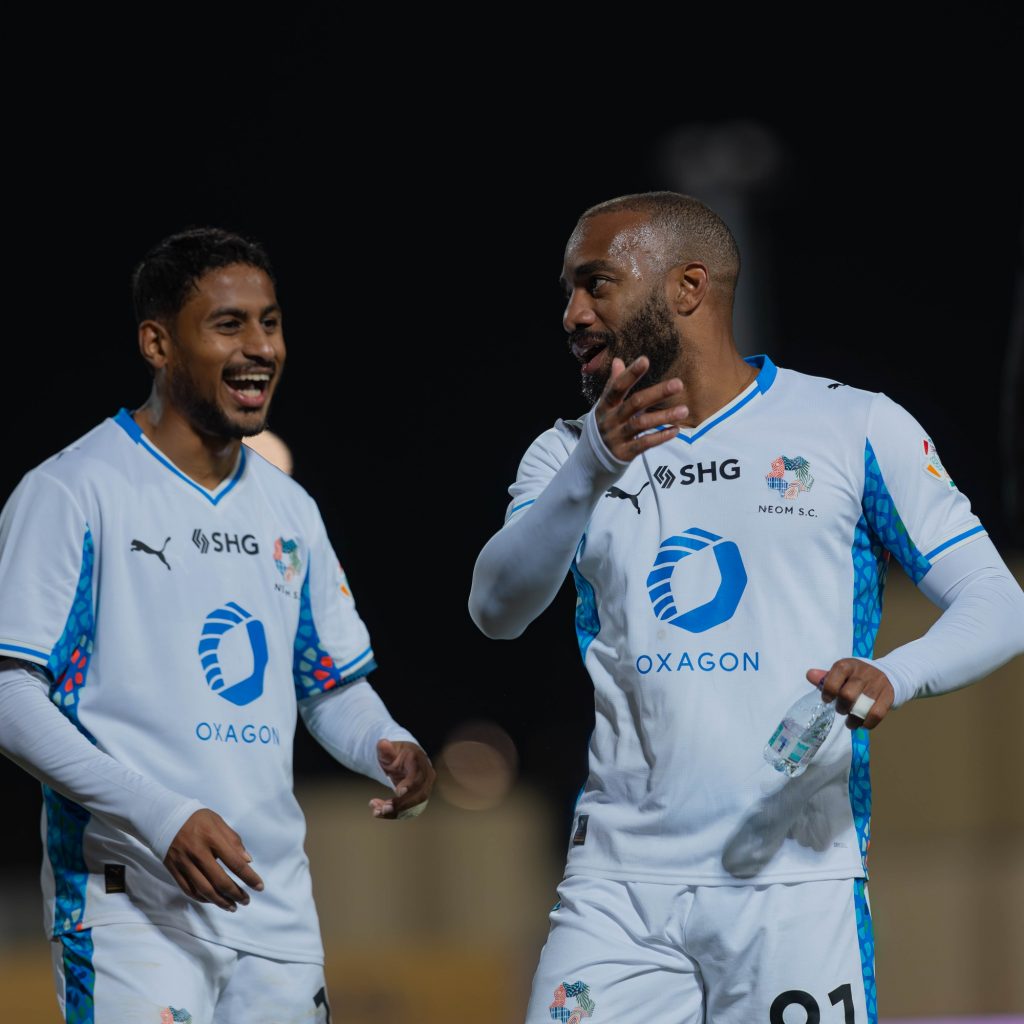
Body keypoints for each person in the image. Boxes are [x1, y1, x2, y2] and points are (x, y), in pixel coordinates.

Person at [467, 191, 1024, 1022]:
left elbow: (998, 602)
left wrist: (895, 675)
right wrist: (591, 468)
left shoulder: (853, 428)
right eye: (568, 291)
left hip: (794, 878)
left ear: (688, 286)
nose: (573, 314)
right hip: (616, 889)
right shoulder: (565, 453)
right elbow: (496, 609)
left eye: (596, 284)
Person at [0, 227, 436, 1022]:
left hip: (275, 911)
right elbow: (10, 697)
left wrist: (387, 743)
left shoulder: (289, 509)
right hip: (130, 906)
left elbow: (328, 686)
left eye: (270, 323)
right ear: (158, 343)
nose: (259, 347)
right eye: (228, 325)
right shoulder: (72, 491)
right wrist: (161, 816)